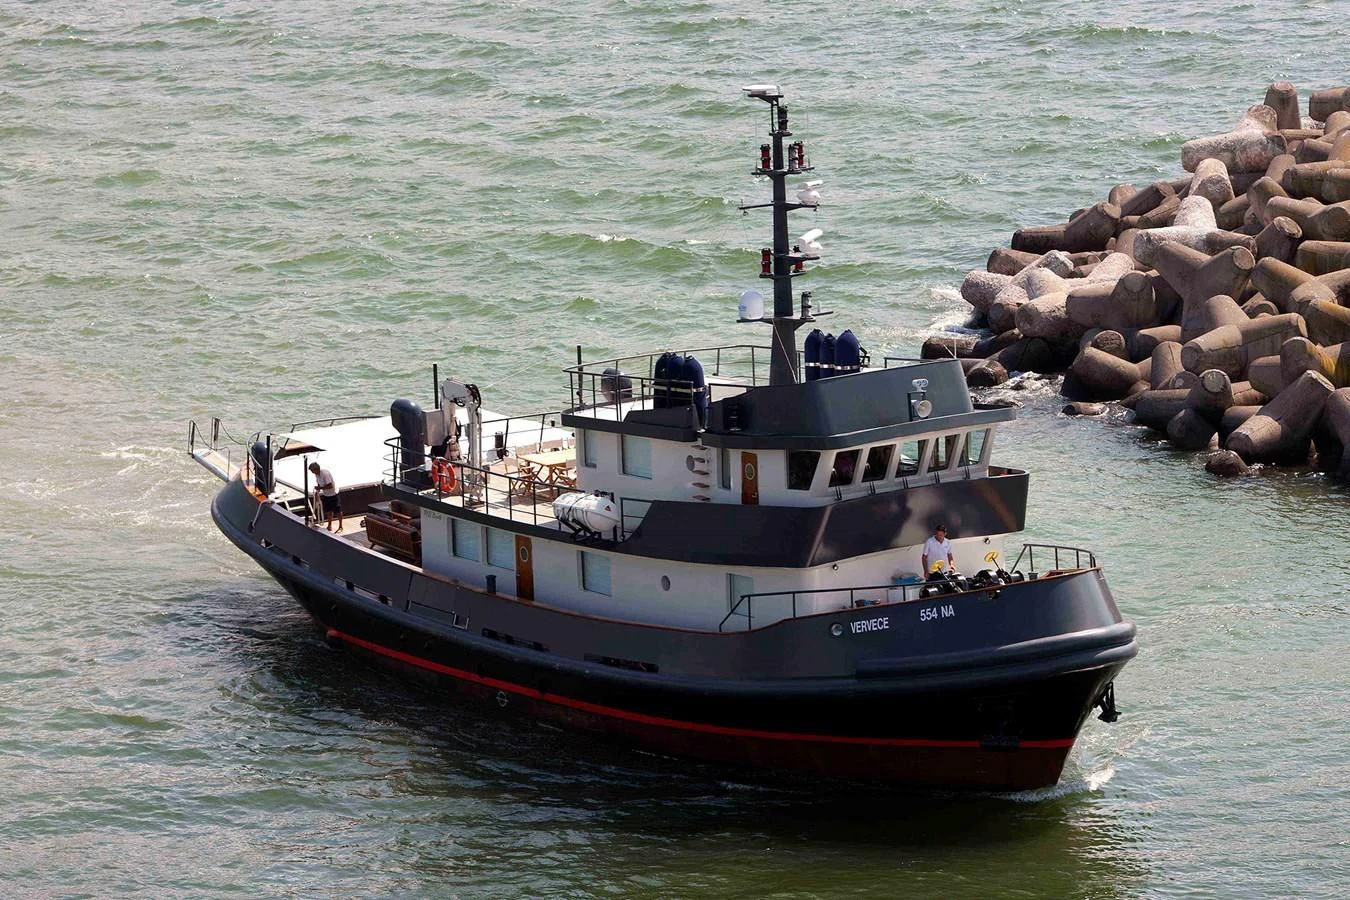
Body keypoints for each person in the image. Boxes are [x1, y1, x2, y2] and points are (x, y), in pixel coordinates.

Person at [309, 462, 342, 532]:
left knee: (338, 511)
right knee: (329, 510)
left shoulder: (325, 474)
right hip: (326, 494)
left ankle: (340, 526)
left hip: (333, 494)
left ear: (316, 469)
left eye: (312, 470)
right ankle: (329, 526)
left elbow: (330, 485)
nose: (312, 472)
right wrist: (317, 491)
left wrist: (320, 488)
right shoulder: (317, 475)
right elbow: (319, 483)